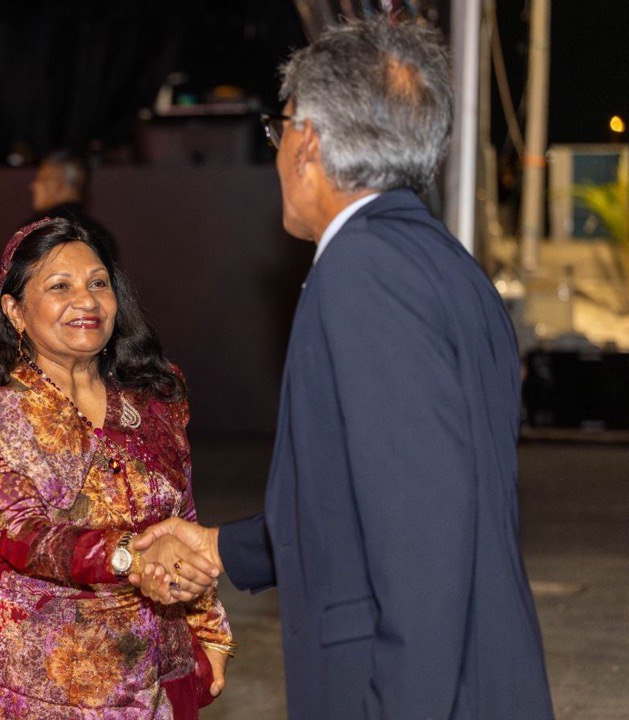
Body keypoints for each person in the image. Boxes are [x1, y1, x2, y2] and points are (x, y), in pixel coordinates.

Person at [132, 19, 554, 720]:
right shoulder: (448, 265)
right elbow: (370, 500)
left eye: (279, 129)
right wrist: (220, 547)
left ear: (307, 141)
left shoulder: (364, 271)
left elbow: (422, 544)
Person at [0, 217, 233, 719]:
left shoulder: (154, 396)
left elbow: (182, 518)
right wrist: (130, 557)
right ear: (14, 310)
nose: (87, 301)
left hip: (156, 666)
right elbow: (24, 535)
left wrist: (210, 628)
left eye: (99, 283)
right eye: (60, 287)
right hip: (32, 680)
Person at [28, 151, 118, 261]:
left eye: (41, 179)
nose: (34, 186)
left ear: (56, 184)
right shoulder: (102, 236)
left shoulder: (34, 231)